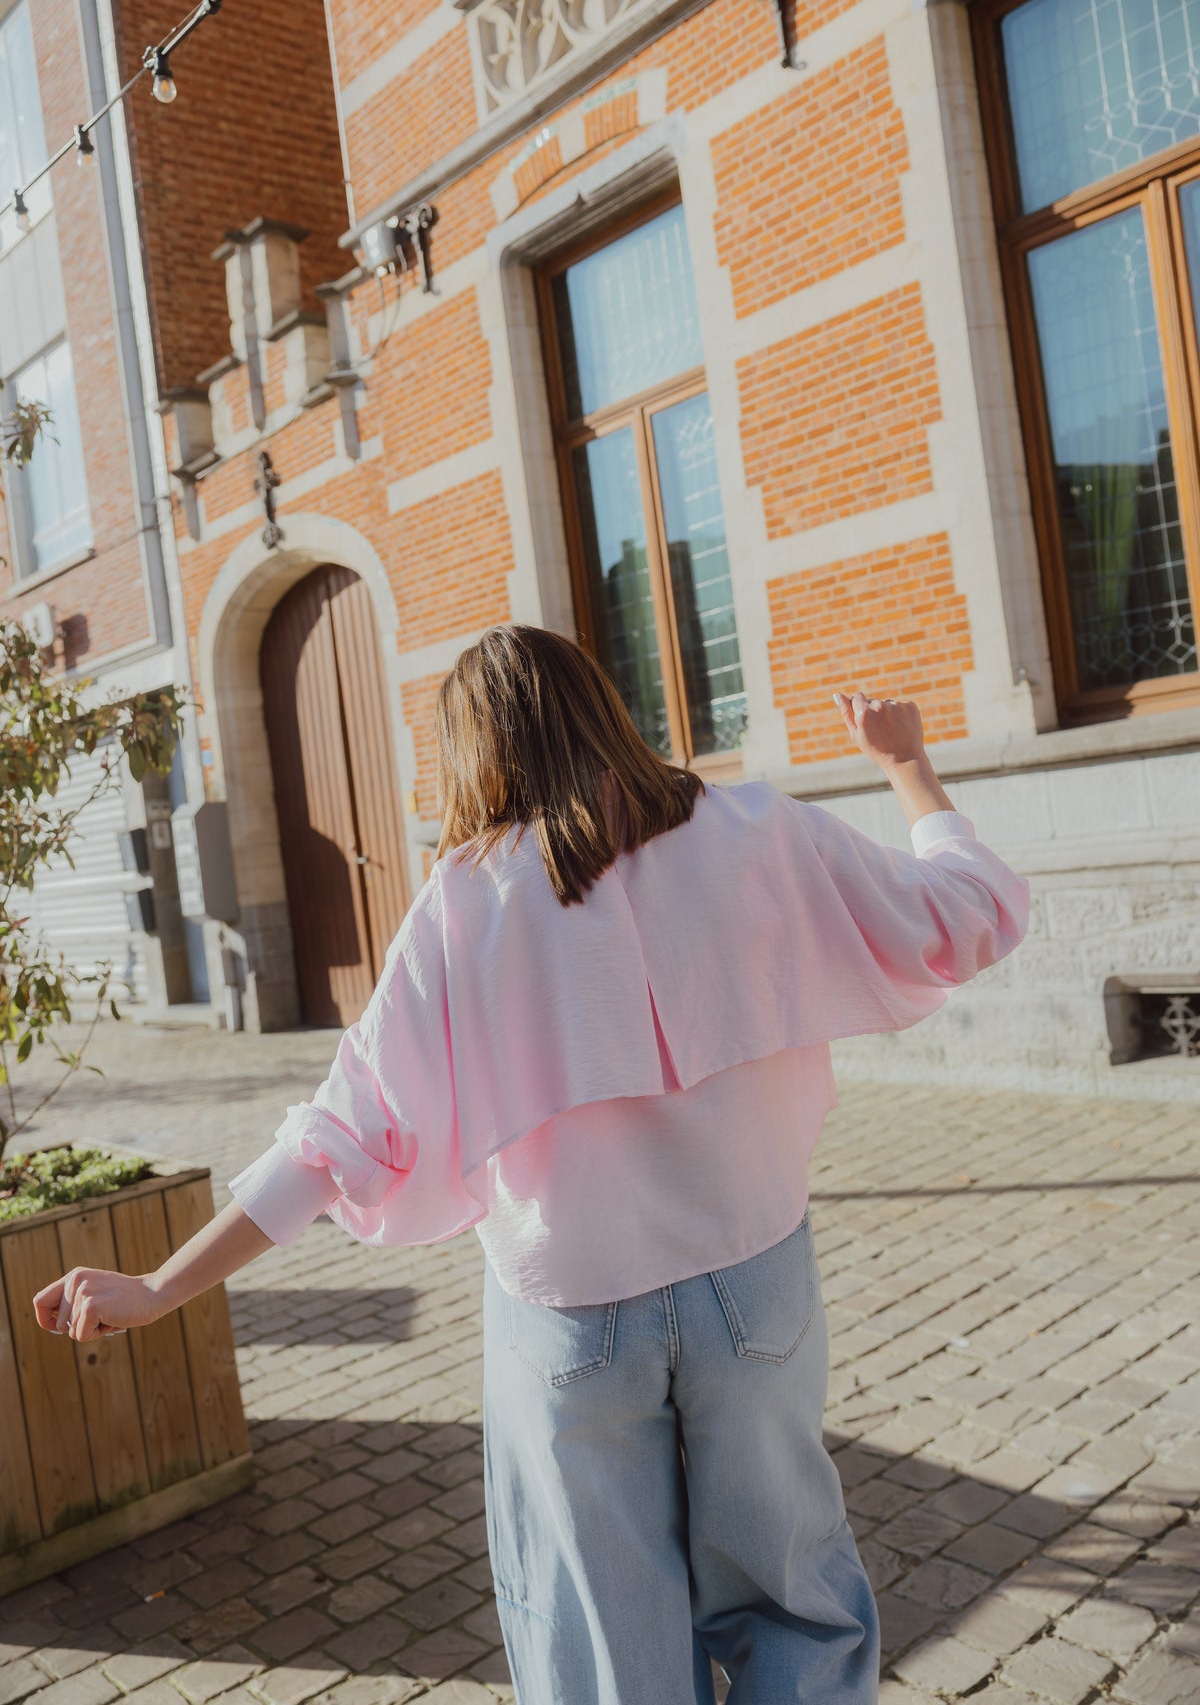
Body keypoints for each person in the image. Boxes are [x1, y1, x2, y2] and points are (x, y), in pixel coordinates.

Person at [35, 625, 1029, 1705]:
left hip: (572, 1316)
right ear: (602, 705)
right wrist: (907, 767)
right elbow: (966, 919)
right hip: (754, 1282)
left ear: (475, 751)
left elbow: (333, 1139)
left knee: (605, 1647)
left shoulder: (465, 904)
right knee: (795, 1598)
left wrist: (161, 1287)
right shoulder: (754, 827)